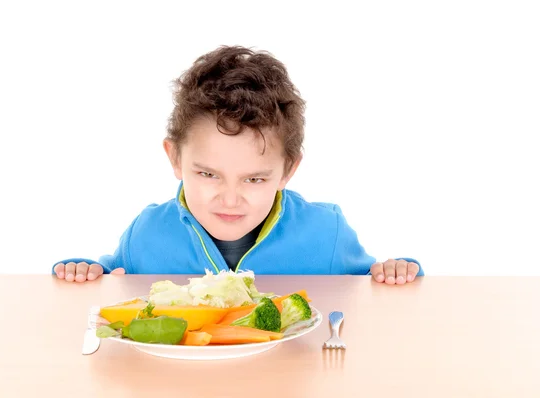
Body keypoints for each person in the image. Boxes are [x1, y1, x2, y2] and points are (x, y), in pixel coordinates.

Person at [52, 45, 423, 285]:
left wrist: (398, 271)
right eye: (208, 174)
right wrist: (85, 270)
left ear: (288, 170)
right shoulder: (146, 232)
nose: (230, 200)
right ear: (175, 158)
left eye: (255, 179)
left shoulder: (327, 232)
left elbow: (371, 287)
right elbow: (110, 276)